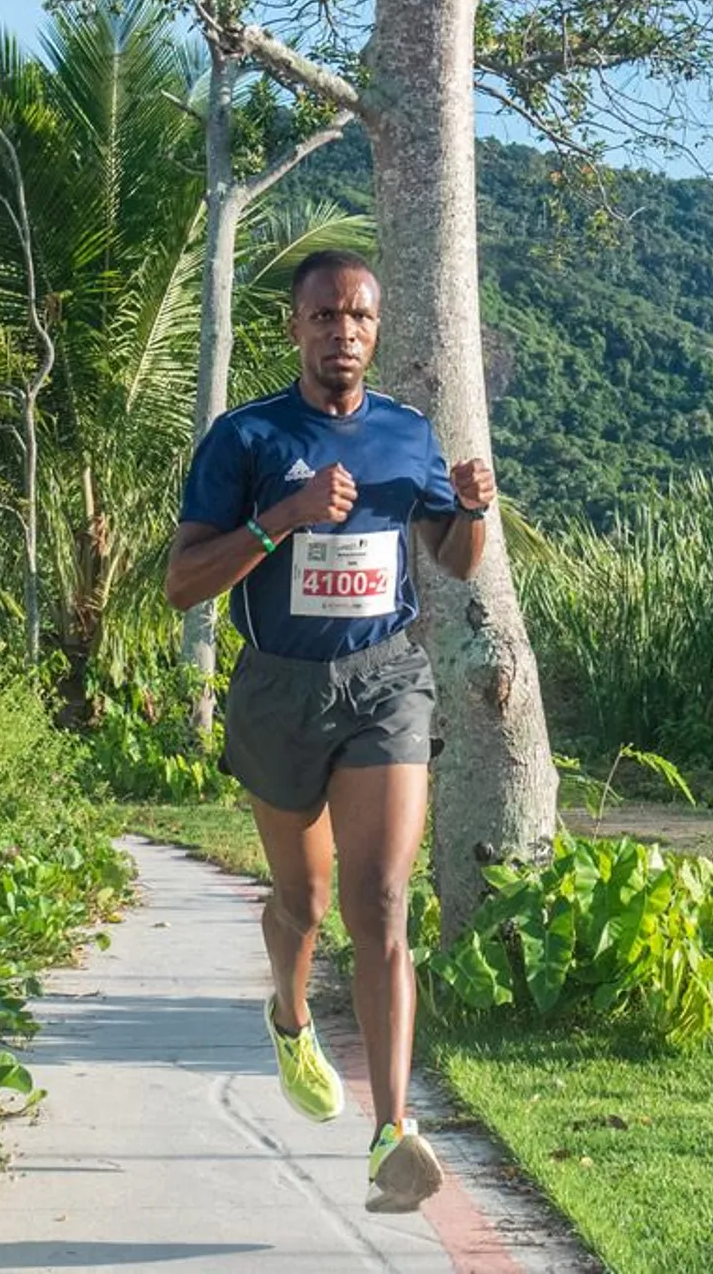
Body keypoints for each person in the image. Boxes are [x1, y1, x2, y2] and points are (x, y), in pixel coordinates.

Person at [164, 249, 495, 1213]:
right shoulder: (247, 438)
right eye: (324, 316)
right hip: (277, 687)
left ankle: (394, 1130)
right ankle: (289, 1009)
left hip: (385, 678)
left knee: (381, 899)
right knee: (302, 905)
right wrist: (287, 517)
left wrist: (472, 507)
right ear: (295, 327)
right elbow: (184, 581)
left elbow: (458, 558)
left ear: (375, 328)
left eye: (358, 317)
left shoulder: (406, 434)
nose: (341, 332)